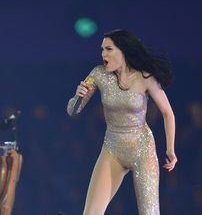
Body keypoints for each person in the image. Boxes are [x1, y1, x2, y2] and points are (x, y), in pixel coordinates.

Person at [67, 29, 177, 215]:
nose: (103, 54)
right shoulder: (98, 74)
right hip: (112, 148)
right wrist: (78, 96)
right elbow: (73, 111)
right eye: (102, 49)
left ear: (123, 51)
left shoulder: (145, 77)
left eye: (109, 49)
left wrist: (170, 149)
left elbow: (168, 113)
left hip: (142, 149)